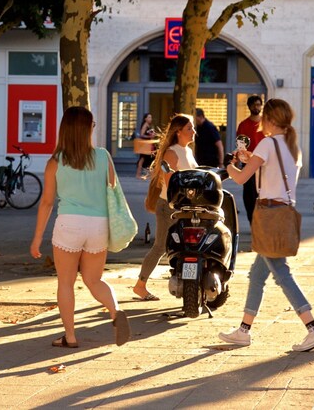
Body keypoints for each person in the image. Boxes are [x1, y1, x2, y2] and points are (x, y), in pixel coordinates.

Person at [220, 99, 314, 352]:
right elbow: (270, 169)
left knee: (281, 273)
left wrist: (228, 165)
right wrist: (250, 158)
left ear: (268, 119)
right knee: (257, 275)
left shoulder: (268, 143)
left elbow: (242, 178)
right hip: (283, 212)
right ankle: (244, 331)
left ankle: (313, 328)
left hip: (269, 214)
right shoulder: (291, 146)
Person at [30, 106, 130, 348]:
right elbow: (111, 189)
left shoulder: (55, 162)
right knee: (94, 280)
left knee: (65, 282)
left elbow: (46, 203)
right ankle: (115, 312)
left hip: (69, 224)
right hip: (99, 225)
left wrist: (37, 239)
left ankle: (70, 336)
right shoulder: (103, 156)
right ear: (88, 129)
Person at [133, 114, 197, 301]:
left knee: (185, 246)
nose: (193, 131)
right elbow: (171, 184)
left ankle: (186, 283)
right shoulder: (171, 153)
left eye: (192, 128)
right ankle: (140, 285)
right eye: (189, 128)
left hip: (185, 207)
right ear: (178, 132)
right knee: (161, 246)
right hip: (169, 206)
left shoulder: (188, 151)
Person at [235, 95, 266, 225]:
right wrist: (238, 160)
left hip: (264, 164)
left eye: (258, 104)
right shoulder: (243, 125)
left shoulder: (266, 124)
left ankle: (262, 221)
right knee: (249, 194)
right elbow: (240, 146)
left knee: (263, 193)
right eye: (254, 104)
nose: (256, 107)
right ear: (249, 106)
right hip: (248, 164)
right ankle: (252, 220)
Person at [134, 112, 156, 178]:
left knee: (145, 159)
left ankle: (145, 174)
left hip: (147, 145)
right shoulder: (145, 125)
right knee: (144, 159)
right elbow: (141, 134)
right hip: (145, 145)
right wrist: (150, 136)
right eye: (149, 117)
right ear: (145, 119)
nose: (150, 119)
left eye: (151, 117)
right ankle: (142, 174)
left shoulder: (148, 125)